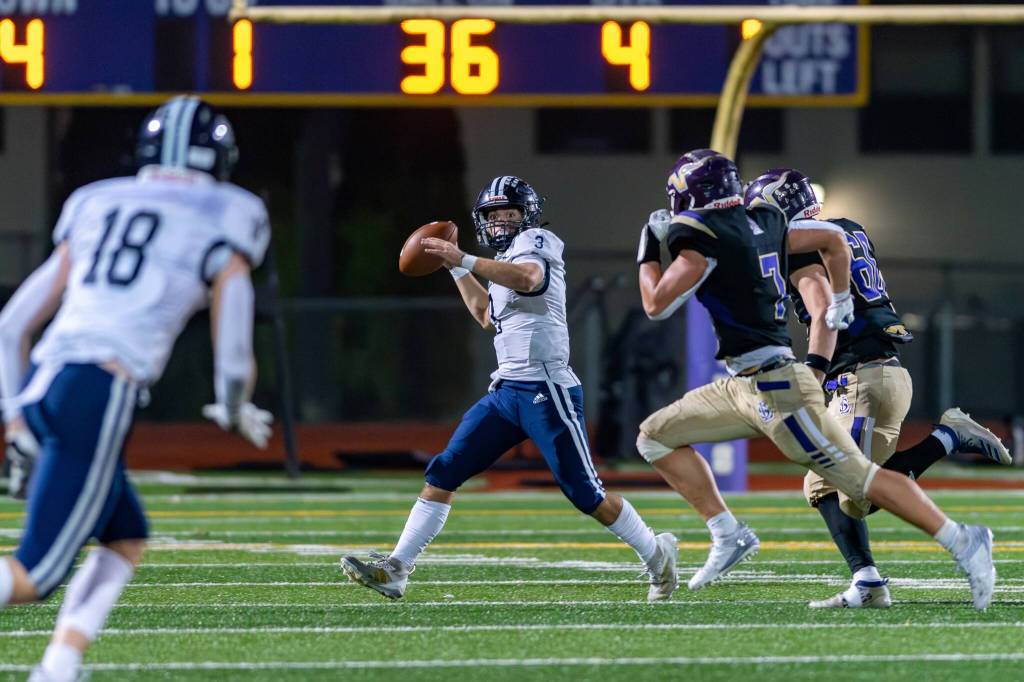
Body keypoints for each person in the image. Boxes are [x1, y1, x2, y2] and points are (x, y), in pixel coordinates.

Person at [634, 149, 995, 610]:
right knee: (655, 437)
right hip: (741, 384)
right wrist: (840, 296)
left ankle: (963, 541)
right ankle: (728, 533)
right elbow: (831, 238)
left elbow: (655, 304)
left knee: (856, 481)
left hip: (780, 384)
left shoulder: (709, 233)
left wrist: (647, 248)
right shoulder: (764, 219)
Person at [0, 96, 274, 682]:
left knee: (126, 536)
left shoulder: (97, 200)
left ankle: (59, 666)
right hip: (98, 388)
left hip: (47, 384)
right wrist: (233, 405)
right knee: (33, 577)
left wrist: (17, 418)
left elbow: (11, 326)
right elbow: (231, 354)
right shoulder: (231, 211)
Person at [340, 175, 678, 601]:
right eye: (493, 215)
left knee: (586, 494)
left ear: (527, 216)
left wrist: (464, 257)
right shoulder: (499, 262)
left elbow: (529, 280)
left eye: (508, 213)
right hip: (506, 392)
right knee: (444, 471)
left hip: (547, 387)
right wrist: (454, 268)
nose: (500, 222)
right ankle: (397, 568)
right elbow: (485, 313)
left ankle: (656, 554)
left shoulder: (537, 241)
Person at [744, 168, 1011, 608]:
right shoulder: (845, 230)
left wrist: (812, 372)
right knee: (831, 485)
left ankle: (951, 454)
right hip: (875, 375)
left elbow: (822, 306)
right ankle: (868, 581)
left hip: (863, 379)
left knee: (852, 490)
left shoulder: (802, 245)